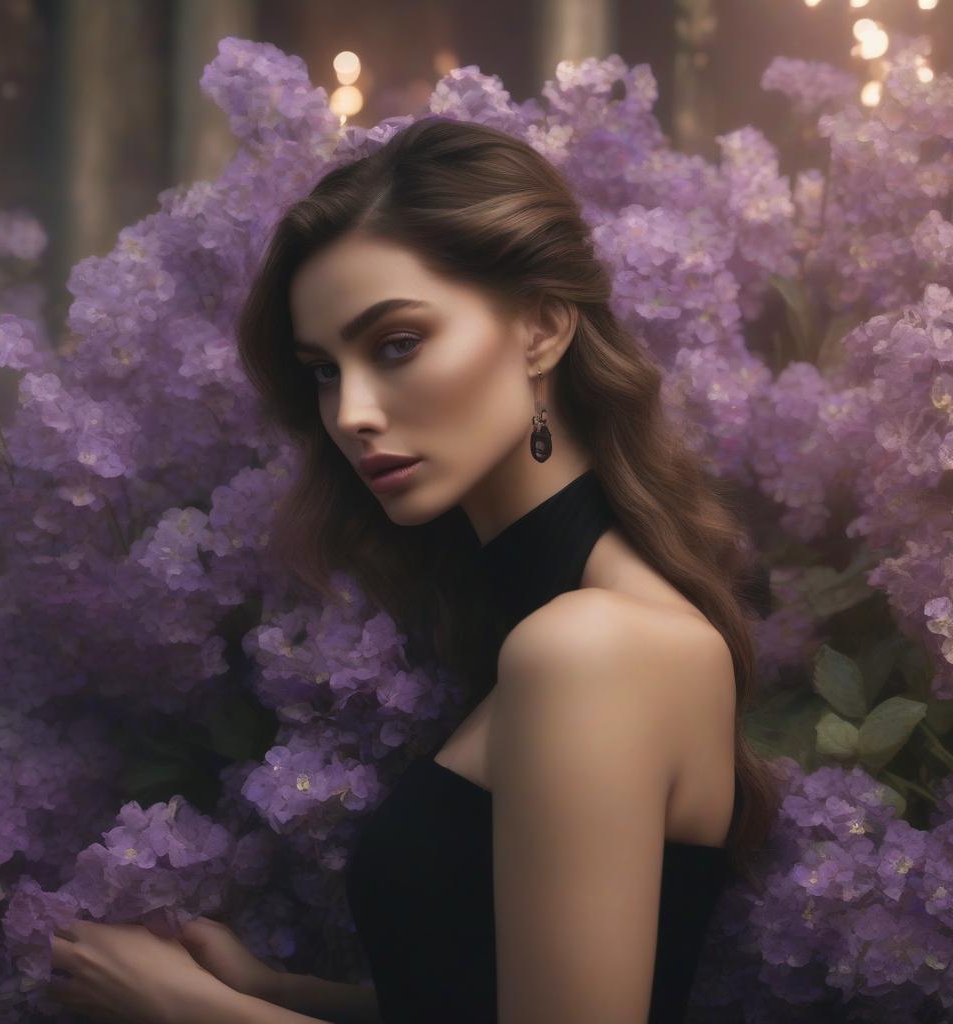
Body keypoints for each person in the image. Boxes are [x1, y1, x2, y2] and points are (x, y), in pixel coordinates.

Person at [48, 116, 779, 1024]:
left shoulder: (597, 646)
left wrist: (187, 1012)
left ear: (544, 326)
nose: (351, 411)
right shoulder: (564, 624)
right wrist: (276, 992)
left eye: (396, 344)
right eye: (322, 370)